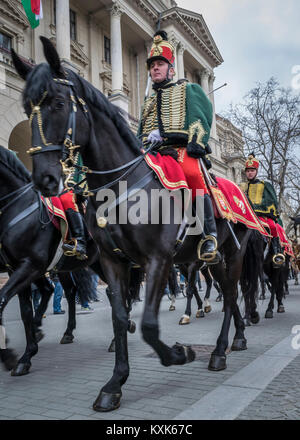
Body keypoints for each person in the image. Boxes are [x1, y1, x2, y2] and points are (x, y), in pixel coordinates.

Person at [137, 30, 220, 264]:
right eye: (152, 64)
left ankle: (208, 235)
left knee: (193, 173)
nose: (155, 68)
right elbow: (140, 131)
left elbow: (200, 116)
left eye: (160, 63)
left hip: (181, 149)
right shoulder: (148, 101)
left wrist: (191, 141)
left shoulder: (187, 89)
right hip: (153, 152)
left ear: (170, 69)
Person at [240, 153, 285, 267]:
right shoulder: (241, 186)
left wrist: (256, 209)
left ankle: (276, 253)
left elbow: (270, 201)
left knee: (273, 226)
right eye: (248, 171)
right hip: (244, 216)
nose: (250, 172)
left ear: (256, 172)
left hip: (261, 216)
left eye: (252, 170)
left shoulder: (265, 185)